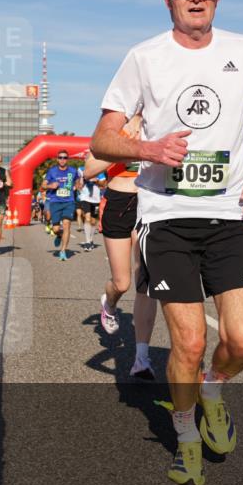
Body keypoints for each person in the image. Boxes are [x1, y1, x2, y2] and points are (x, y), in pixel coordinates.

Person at [91, 0, 243, 485]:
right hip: (167, 217)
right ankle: (185, 441)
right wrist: (148, 147)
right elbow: (101, 140)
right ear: (169, 0)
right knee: (186, 343)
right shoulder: (144, 58)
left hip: (231, 214)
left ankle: (212, 390)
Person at [85, 116, 160, 381]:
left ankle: (141, 358)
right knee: (122, 282)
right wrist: (125, 145)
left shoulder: (162, 119)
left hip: (151, 202)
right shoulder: (113, 128)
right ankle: (110, 305)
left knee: (145, 282)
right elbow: (89, 170)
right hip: (119, 201)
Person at [41, 150, 82, 261]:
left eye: (65, 157)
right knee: (55, 229)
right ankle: (59, 235)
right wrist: (50, 186)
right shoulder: (52, 171)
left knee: (67, 224)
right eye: (60, 157)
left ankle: (63, 251)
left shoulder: (73, 171)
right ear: (57, 159)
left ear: (67, 159)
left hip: (69, 202)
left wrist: (77, 186)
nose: (62, 159)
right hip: (55, 201)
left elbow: (78, 181)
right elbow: (43, 185)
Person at [76, 167, 104, 252]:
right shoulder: (81, 169)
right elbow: (78, 183)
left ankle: (91, 239)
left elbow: (103, 184)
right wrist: (81, 182)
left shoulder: (100, 169)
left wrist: (97, 181)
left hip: (96, 199)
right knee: (87, 218)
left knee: (93, 220)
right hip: (85, 198)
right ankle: (87, 242)